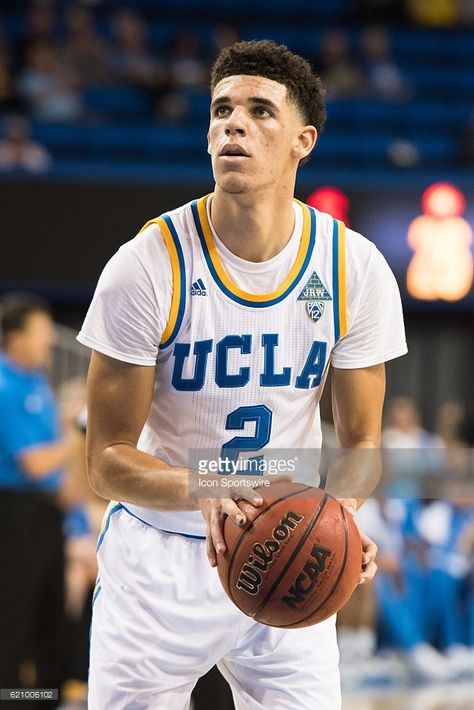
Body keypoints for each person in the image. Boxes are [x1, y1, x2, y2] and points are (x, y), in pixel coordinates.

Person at [78, 40, 407, 709]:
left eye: (260, 111)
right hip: (160, 561)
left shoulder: (356, 268)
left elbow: (363, 446)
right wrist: (208, 484)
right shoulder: (147, 264)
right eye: (222, 109)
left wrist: (338, 515)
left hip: (287, 543)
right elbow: (105, 461)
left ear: (302, 142)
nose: (234, 123)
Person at [0, 293, 74, 707]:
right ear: (15, 337)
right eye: (42, 331)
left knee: (51, 615)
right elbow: (33, 462)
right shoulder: (4, 386)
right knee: (14, 616)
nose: (49, 340)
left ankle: (48, 699)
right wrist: (80, 434)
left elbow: (52, 466)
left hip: (46, 515)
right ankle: (8, 699)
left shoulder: (38, 384)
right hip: (12, 514)